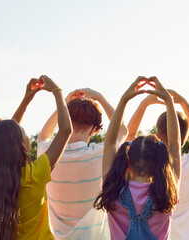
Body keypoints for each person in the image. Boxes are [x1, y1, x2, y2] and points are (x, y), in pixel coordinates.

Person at [0, 76, 72, 240]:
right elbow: (65, 130)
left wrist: (26, 100)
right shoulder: (35, 174)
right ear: (22, 147)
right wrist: (57, 92)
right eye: (23, 132)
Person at [95, 76, 181, 240]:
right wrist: (169, 101)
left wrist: (124, 100)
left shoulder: (112, 191)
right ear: (158, 163)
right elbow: (175, 145)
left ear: (127, 163)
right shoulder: (168, 192)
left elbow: (111, 142)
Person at [36, 88, 127, 239]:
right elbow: (122, 130)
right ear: (93, 130)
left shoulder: (47, 154)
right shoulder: (100, 154)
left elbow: (43, 136)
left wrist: (64, 102)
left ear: (63, 122)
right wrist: (100, 97)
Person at [126, 90, 189, 240]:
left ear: (157, 135)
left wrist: (145, 103)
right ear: (185, 138)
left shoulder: (146, 167)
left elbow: (130, 134)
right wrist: (183, 101)